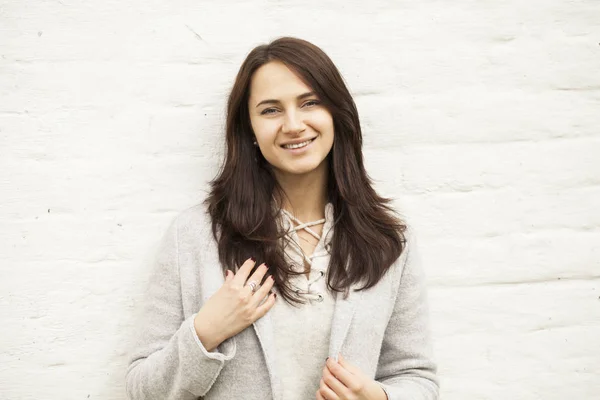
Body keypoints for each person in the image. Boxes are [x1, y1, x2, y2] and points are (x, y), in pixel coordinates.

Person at [125, 36, 439, 400]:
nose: (293, 124)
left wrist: (381, 398)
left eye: (309, 103)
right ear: (251, 130)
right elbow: (141, 389)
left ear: (336, 114)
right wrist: (205, 332)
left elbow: (416, 376)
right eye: (271, 110)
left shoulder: (389, 241)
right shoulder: (195, 236)